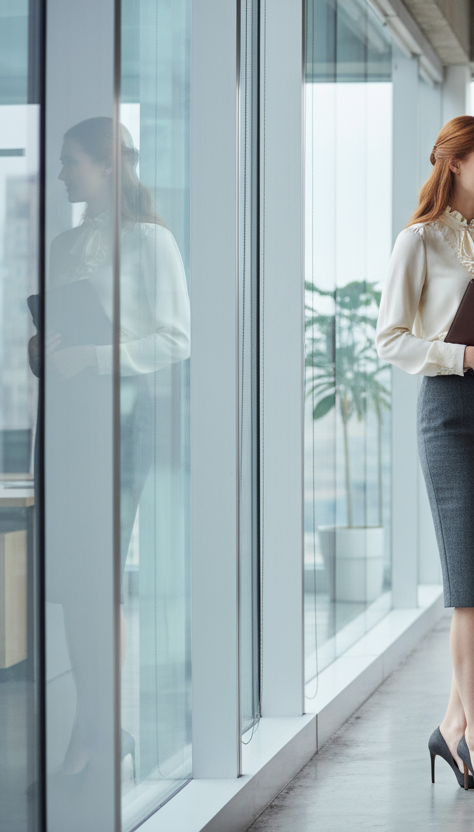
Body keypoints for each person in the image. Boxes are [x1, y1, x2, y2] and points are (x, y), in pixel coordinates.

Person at [376, 115, 474, 800]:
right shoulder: (418, 241)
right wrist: (463, 356)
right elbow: (390, 338)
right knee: (471, 587)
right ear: (454, 164)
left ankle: (452, 725)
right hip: (451, 416)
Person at [34, 117, 190, 784]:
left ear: (106, 165)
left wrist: (94, 356)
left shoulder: (151, 241)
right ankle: (95, 727)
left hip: (122, 417)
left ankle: (100, 729)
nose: (62, 173)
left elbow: (177, 339)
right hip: (66, 417)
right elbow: (54, 333)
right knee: (74, 584)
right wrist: (43, 349)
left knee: (100, 579)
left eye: (71, 161)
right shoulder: (65, 244)